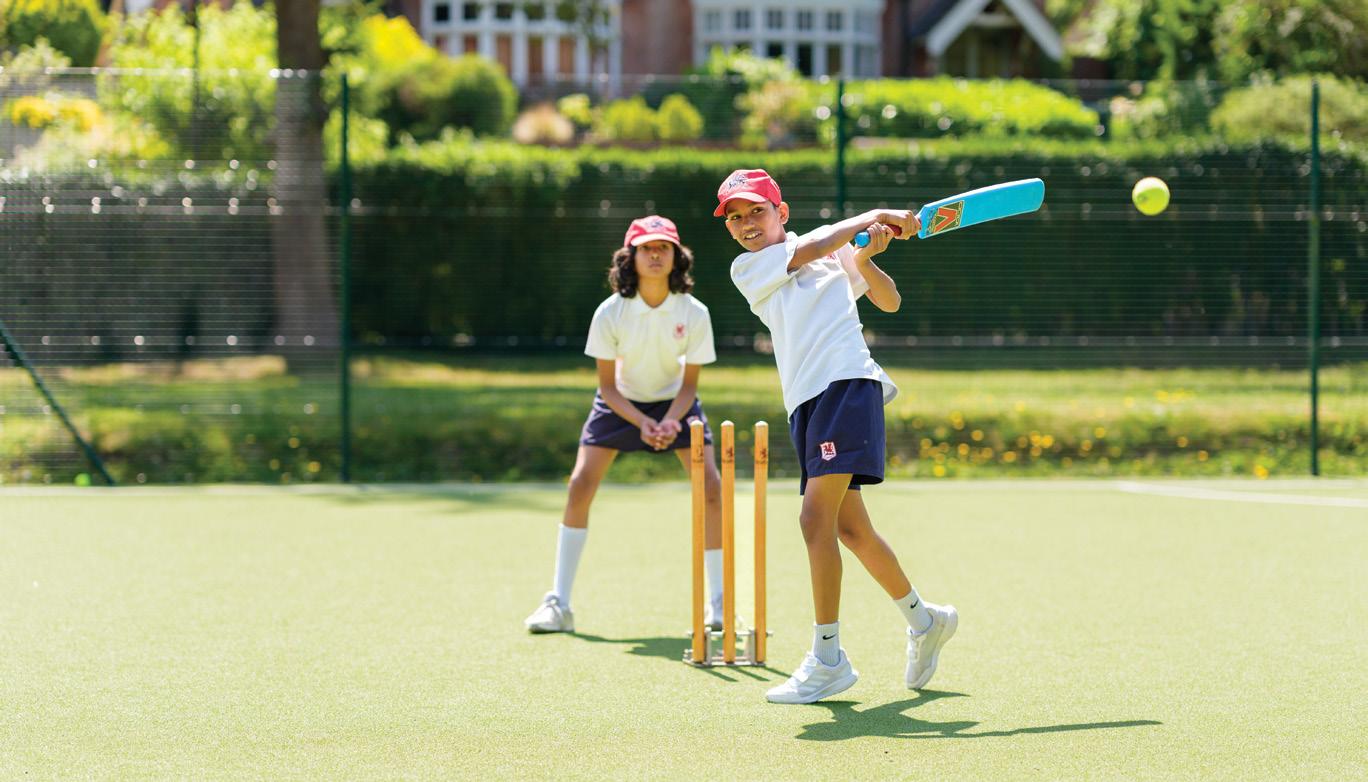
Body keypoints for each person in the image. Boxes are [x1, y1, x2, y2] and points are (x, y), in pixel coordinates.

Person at [715, 169, 957, 704]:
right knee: (850, 528)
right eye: (736, 217)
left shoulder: (832, 250)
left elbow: (889, 302)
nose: (747, 223)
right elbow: (812, 248)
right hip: (808, 402)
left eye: (757, 211)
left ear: (782, 212)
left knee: (813, 520)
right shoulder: (749, 266)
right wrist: (872, 218)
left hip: (847, 386)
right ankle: (926, 621)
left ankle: (828, 658)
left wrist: (865, 260)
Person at [524, 215, 726, 634]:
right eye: (646, 248)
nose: (655, 255)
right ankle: (559, 603)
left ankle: (719, 603)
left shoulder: (694, 312)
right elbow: (607, 386)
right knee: (580, 484)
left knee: (710, 488)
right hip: (620, 401)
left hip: (676, 403)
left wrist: (668, 421)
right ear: (629, 258)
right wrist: (642, 422)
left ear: (677, 257)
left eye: (663, 248)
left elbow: (690, 385)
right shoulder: (610, 312)